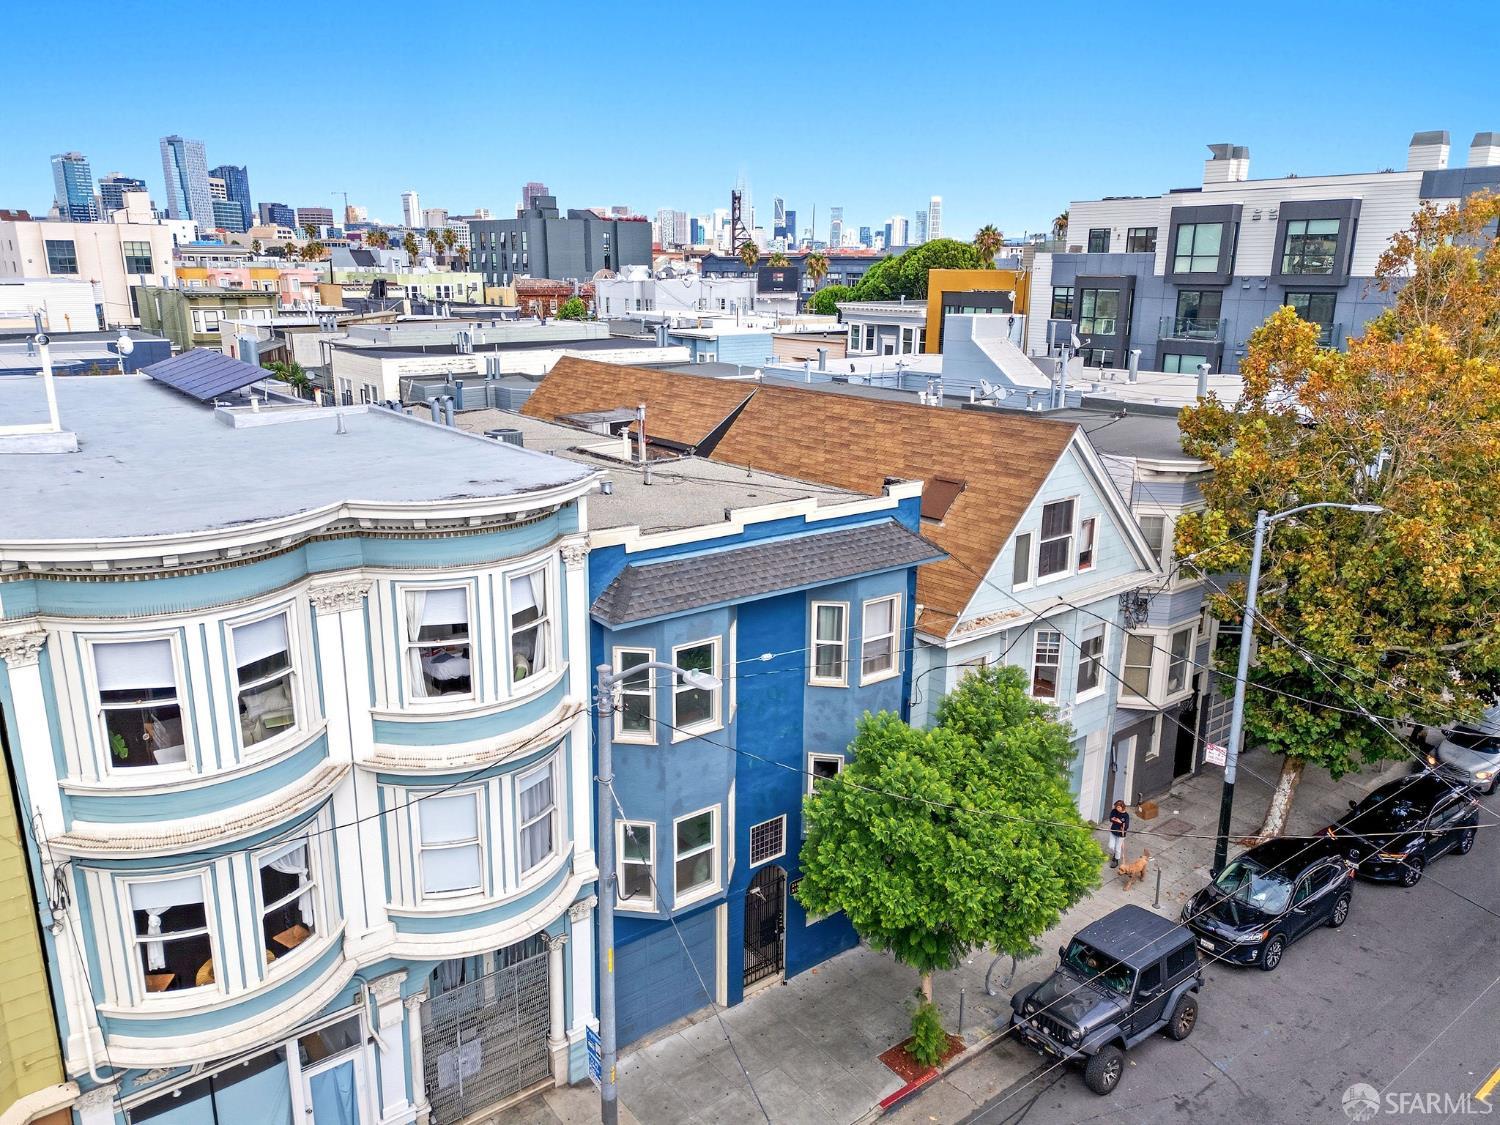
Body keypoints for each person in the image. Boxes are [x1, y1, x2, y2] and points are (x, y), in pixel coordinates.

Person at [1108, 800, 1130, 868]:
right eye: (1116, 807)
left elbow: (1126, 826)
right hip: (1113, 831)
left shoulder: (1126, 816)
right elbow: (1111, 819)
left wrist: (1120, 822)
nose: (1116, 809)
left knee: (1118, 848)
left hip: (1121, 834)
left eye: (1118, 807)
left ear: (1122, 807)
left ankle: (1116, 860)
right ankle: (1115, 854)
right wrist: (1114, 820)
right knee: (1111, 846)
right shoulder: (1114, 811)